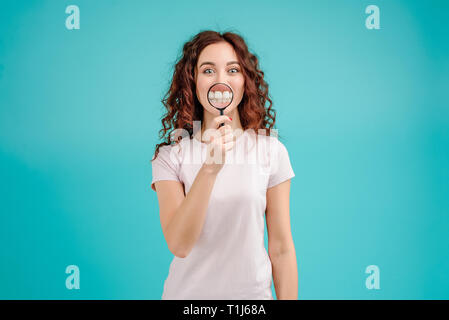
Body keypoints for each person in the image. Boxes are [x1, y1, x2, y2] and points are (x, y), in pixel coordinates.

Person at [150, 30, 298, 300]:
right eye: (208, 71)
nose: (221, 81)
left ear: (245, 81)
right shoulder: (170, 157)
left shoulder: (271, 150)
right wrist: (209, 168)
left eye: (232, 70)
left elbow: (281, 248)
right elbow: (179, 244)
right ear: (193, 81)